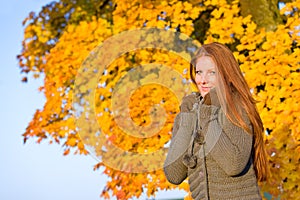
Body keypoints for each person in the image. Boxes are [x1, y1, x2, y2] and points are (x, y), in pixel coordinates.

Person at [163, 42, 269, 200]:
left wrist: (206, 115)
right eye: (199, 72)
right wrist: (187, 118)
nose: (203, 80)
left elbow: (234, 165)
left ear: (226, 74)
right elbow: (173, 174)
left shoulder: (236, 107)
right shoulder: (191, 113)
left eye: (212, 73)